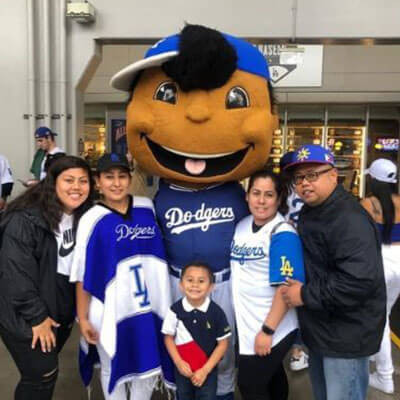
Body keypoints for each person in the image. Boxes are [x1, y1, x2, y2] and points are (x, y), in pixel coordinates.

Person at [281, 144, 386, 400]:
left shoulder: (348, 217)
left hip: (345, 335)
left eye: (312, 175)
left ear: (333, 175)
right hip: (321, 329)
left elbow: (357, 281)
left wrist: (304, 295)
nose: (305, 183)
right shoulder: (313, 210)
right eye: (299, 178)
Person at [70, 153, 173, 400]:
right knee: (111, 366)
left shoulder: (147, 207)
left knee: (146, 367)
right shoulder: (90, 219)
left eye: (122, 176)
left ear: (129, 178)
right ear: (98, 181)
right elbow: (82, 273)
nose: (116, 183)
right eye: (109, 177)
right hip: (107, 305)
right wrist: (83, 318)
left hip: (149, 304)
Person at [0, 155, 94, 400]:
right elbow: (15, 274)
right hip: (25, 311)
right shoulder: (25, 219)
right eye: (69, 180)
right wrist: (37, 317)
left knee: (46, 371)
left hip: (59, 305)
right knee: (41, 374)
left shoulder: (84, 215)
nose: (77, 187)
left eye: (83, 181)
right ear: (52, 182)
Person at [231, 169, 305, 400]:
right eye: (256, 193)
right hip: (247, 323)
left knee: (250, 384)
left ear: (279, 198)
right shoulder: (242, 225)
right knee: (273, 379)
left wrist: (267, 331)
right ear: (247, 196)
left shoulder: (283, 233)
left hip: (273, 325)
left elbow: (287, 289)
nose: (261, 201)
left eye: (269, 195)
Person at [162, 262, 231, 400]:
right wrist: (178, 362)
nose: (195, 285)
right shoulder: (175, 310)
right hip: (183, 370)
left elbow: (223, 344)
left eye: (201, 281)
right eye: (189, 280)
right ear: (181, 285)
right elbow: (168, 337)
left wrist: (205, 370)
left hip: (207, 371)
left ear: (211, 287)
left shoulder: (216, 312)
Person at [360, 158, 400, 394]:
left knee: (378, 319)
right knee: (383, 314)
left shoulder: (368, 204)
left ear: (373, 180)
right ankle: (376, 358)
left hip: (381, 263)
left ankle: (385, 376)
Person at [280, 151, 309, 372]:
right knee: (299, 301)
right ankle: (297, 352)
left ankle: (278, 344)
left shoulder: (279, 188)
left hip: (281, 246)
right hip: (305, 250)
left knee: (281, 295)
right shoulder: (306, 187)